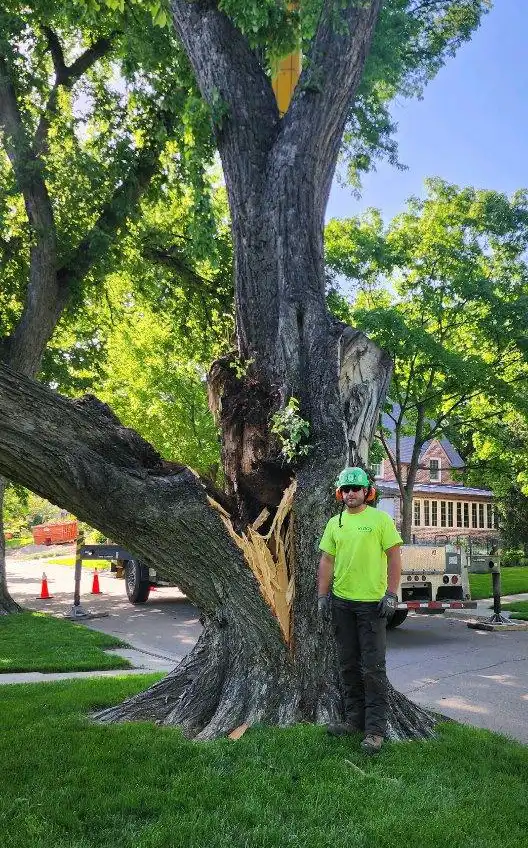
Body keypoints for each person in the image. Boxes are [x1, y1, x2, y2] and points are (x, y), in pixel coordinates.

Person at [317, 466, 403, 755]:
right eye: (347, 488)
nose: (351, 492)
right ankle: (354, 721)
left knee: (373, 668)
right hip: (342, 603)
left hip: (372, 606)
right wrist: (322, 596)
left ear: (368, 491)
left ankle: (375, 731)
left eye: (357, 488)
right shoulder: (335, 523)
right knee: (348, 665)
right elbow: (327, 561)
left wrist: (391, 594)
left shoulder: (380, 520)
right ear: (340, 493)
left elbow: (394, 557)